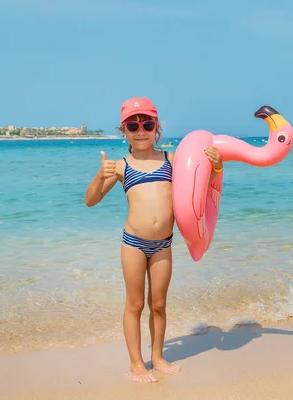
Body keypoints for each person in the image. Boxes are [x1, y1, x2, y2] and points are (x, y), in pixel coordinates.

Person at [84, 97, 223, 383]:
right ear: (123, 131)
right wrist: (100, 176)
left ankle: (157, 357)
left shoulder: (171, 160)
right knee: (135, 304)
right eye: (132, 125)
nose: (140, 130)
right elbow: (90, 201)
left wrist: (218, 167)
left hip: (164, 245)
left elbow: (203, 187)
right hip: (133, 244)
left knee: (158, 304)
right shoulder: (122, 166)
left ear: (156, 128)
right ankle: (137, 364)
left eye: (147, 124)